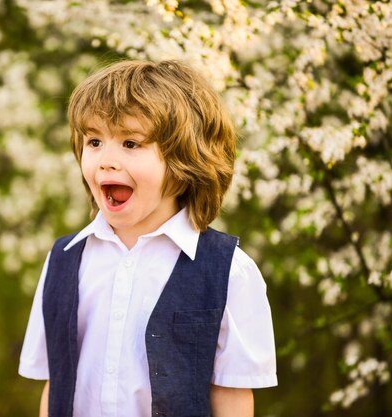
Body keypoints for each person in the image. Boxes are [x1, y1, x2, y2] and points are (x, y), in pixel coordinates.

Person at [19, 60, 277, 417]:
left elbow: (231, 398)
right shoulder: (64, 259)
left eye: (130, 142)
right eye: (94, 141)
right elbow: (55, 384)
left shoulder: (229, 271)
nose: (107, 160)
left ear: (185, 159)